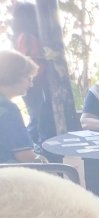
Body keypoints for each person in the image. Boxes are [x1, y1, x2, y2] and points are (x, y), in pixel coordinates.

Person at [10, 1, 55, 144]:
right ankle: (35, 147)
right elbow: (29, 62)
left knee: (38, 117)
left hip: (33, 83)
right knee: (38, 119)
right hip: (35, 84)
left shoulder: (23, 36)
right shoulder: (26, 37)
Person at [0, 49, 38, 163]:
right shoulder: (7, 109)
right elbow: (26, 158)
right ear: (13, 75)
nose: (31, 84)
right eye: (29, 78)